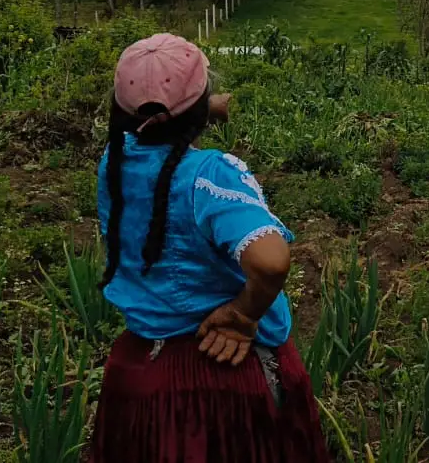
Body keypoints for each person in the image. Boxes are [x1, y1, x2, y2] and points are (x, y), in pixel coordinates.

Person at [89, 33, 330, 463]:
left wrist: (202, 110)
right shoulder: (211, 176)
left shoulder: (115, 159)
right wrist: (241, 316)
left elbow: (157, 131)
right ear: (197, 109)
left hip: (142, 367)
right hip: (224, 377)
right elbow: (271, 262)